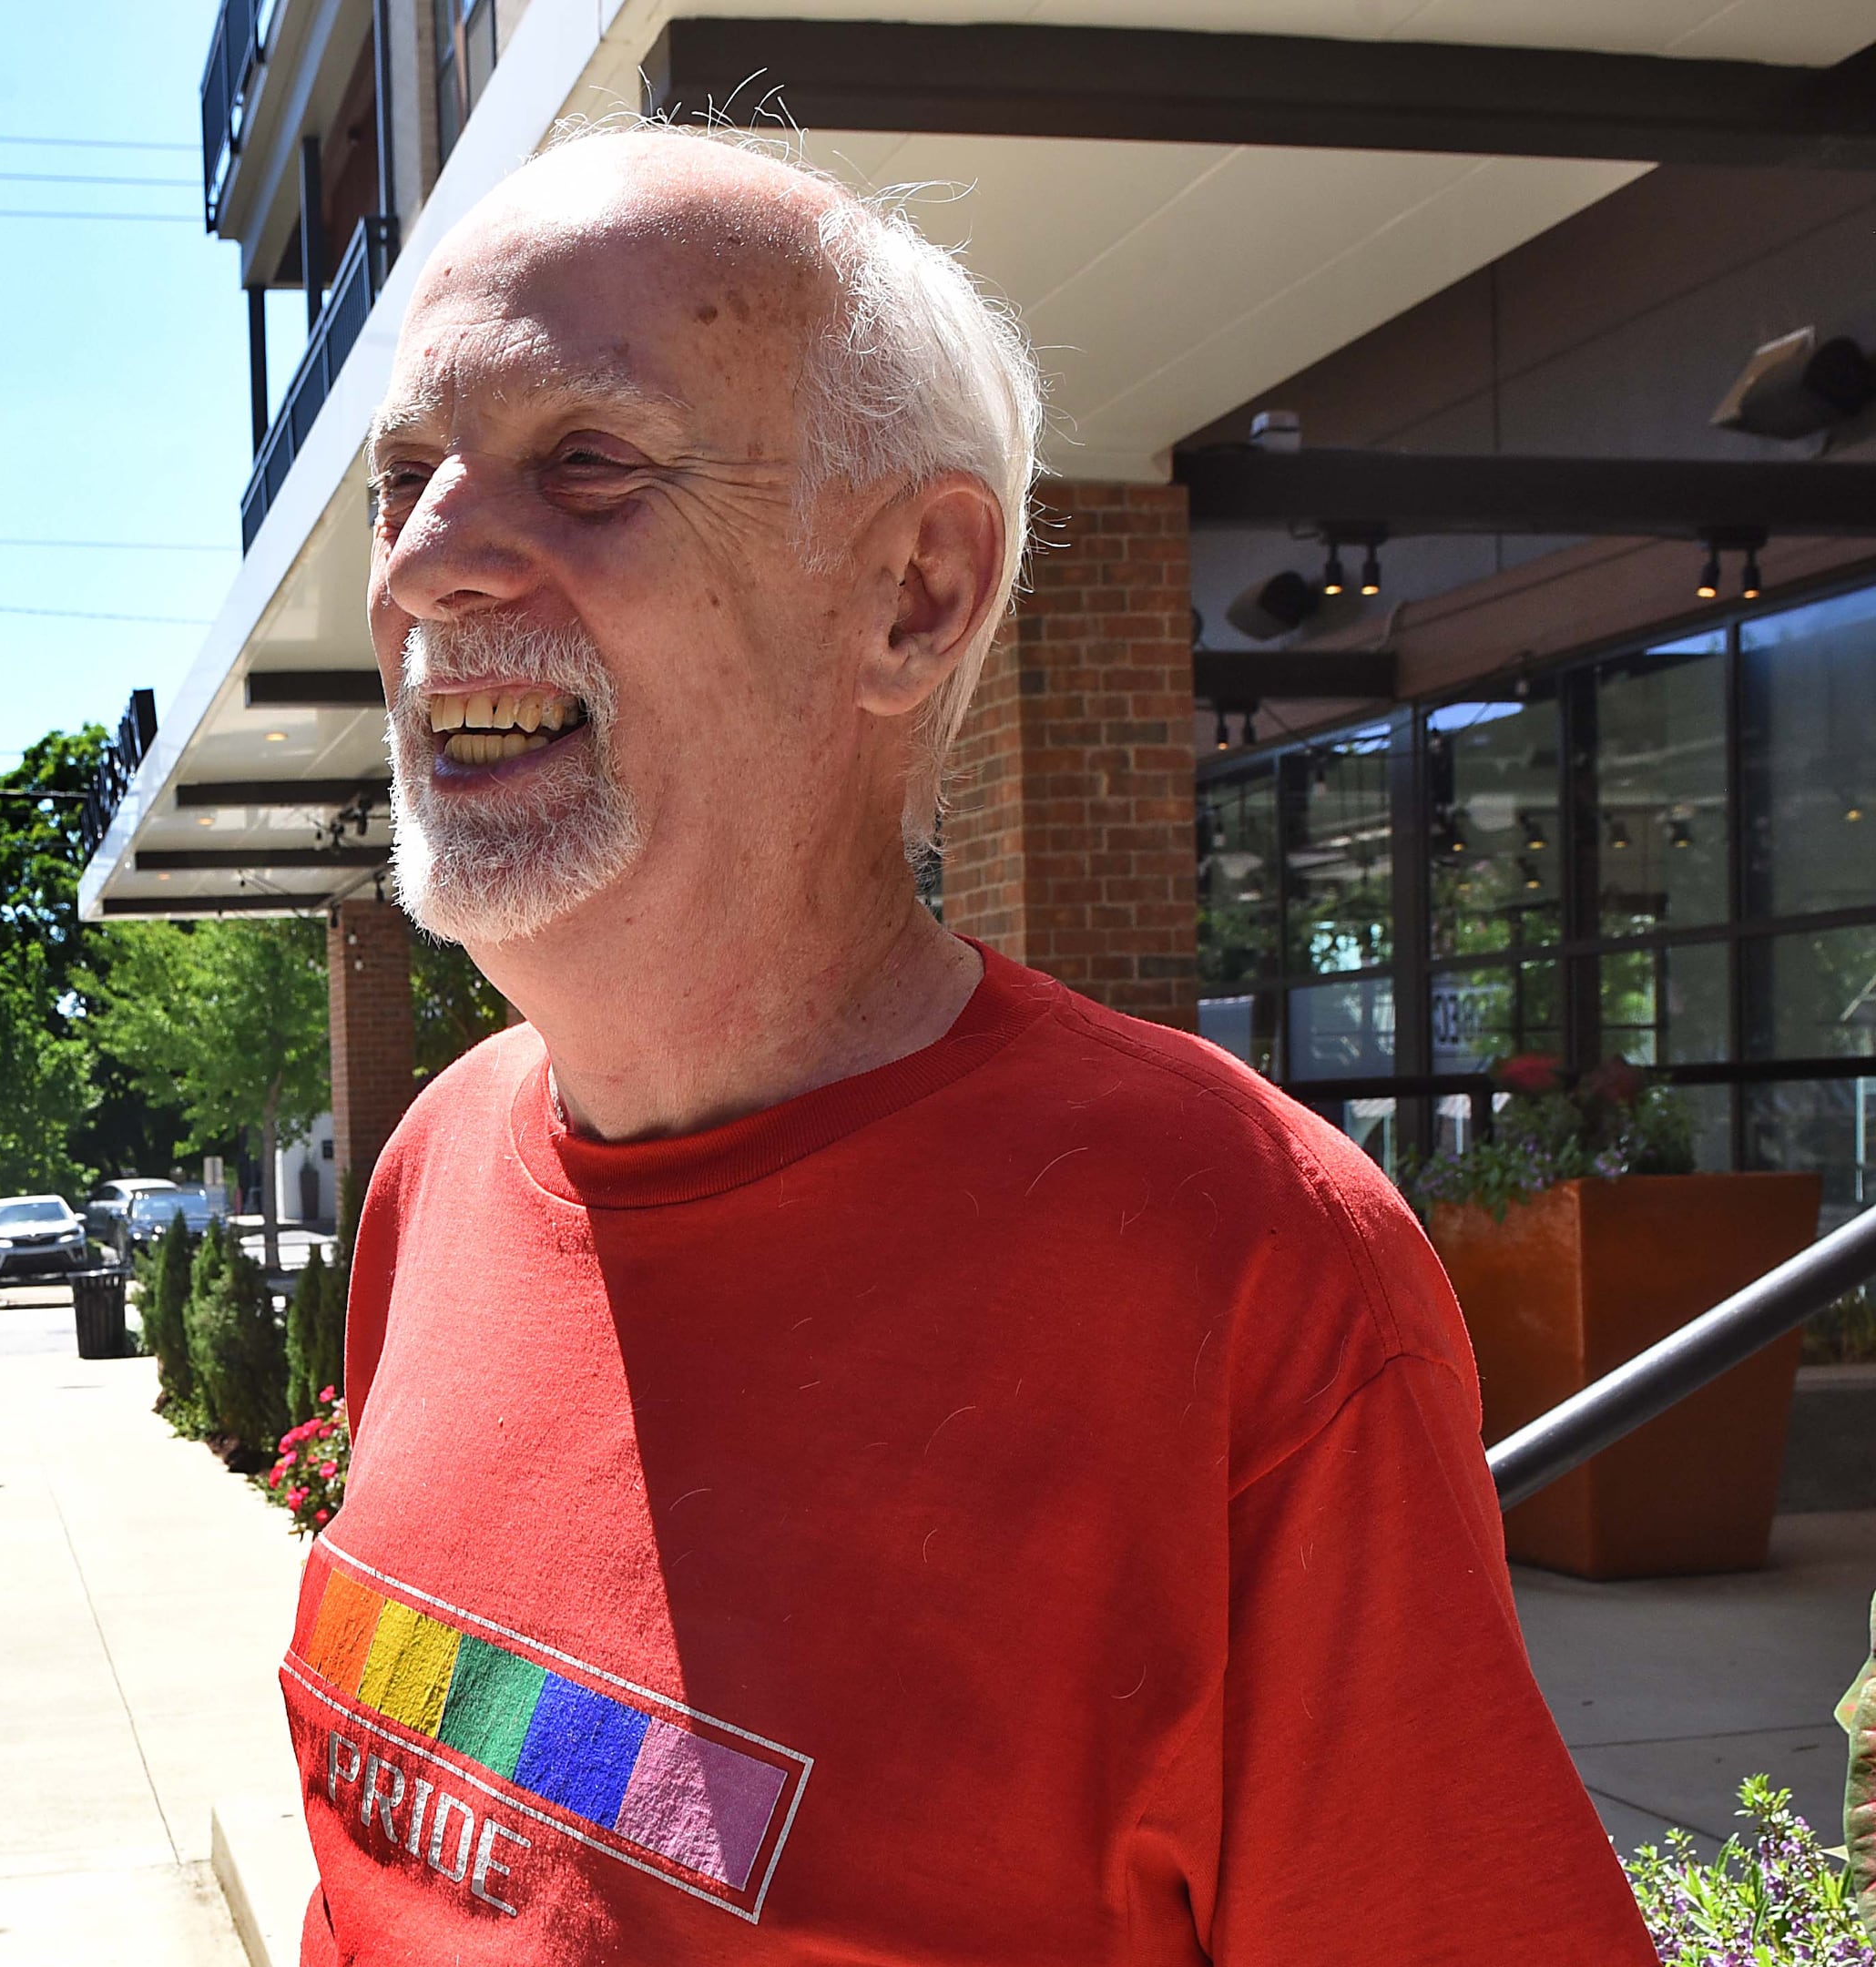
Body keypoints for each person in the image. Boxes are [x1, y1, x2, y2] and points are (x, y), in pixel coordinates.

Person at [285, 126, 1652, 1964]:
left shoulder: (1247, 1270)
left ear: (913, 594)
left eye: (586, 461)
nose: (429, 561)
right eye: (404, 477)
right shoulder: (433, 1178)